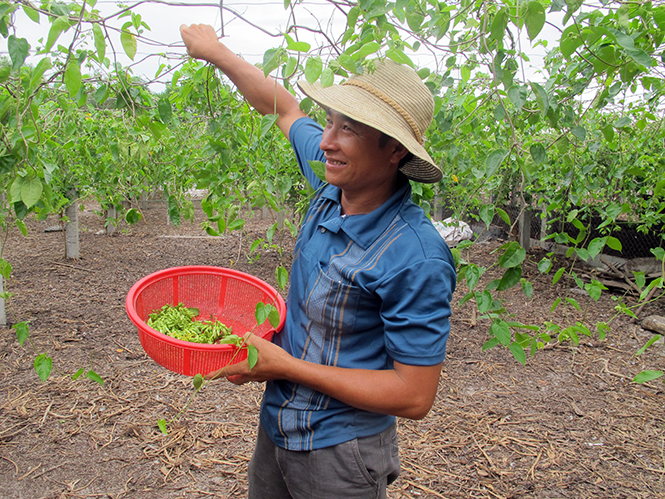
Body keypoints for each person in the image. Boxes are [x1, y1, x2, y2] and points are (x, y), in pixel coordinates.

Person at [180, 23, 457, 499]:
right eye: (330, 122)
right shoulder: (333, 189)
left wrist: (286, 366)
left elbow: (414, 395)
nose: (327, 140)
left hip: (341, 453)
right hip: (280, 427)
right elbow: (284, 107)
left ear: (393, 151)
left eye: (348, 129)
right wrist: (216, 52)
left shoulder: (417, 256)